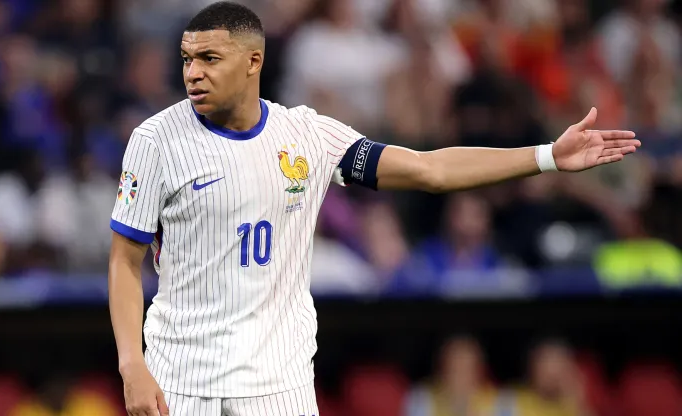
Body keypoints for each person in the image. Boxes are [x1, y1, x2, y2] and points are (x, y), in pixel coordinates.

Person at [107, 2, 640, 416]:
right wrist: (132, 363)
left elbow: (430, 170)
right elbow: (124, 261)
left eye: (209, 59)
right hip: (181, 378)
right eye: (186, 59)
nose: (192, 73)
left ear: (254, 61)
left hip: (277, 386)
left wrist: (546, 156)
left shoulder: (309, 135)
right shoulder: (156, 141)